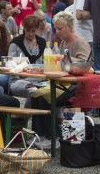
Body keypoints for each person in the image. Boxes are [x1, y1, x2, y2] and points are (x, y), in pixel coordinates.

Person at [30, 12, 91, 147]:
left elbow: (84, 63)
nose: (57, 32)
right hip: (63, 83)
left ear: (69, 27)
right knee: (35, 95)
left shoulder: (80, 42)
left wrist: (63, 58)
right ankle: (39, 135)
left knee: (45, 98)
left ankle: (53, 136)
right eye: (56, 28)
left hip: (77, 86)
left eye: (60, 28)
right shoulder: (62, 43)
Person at [7, 15, 46, 108]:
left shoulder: (42, 43)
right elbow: (10, 65)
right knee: (33, 90)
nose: (31, 34)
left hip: (40, 80)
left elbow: (47, 63)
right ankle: (25, 117)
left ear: (37, 29)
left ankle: (55, 120)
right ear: (24, 28)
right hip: (18, 80)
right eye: (28, 31)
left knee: (54, 91)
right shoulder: (16, 43)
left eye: (33, 31)